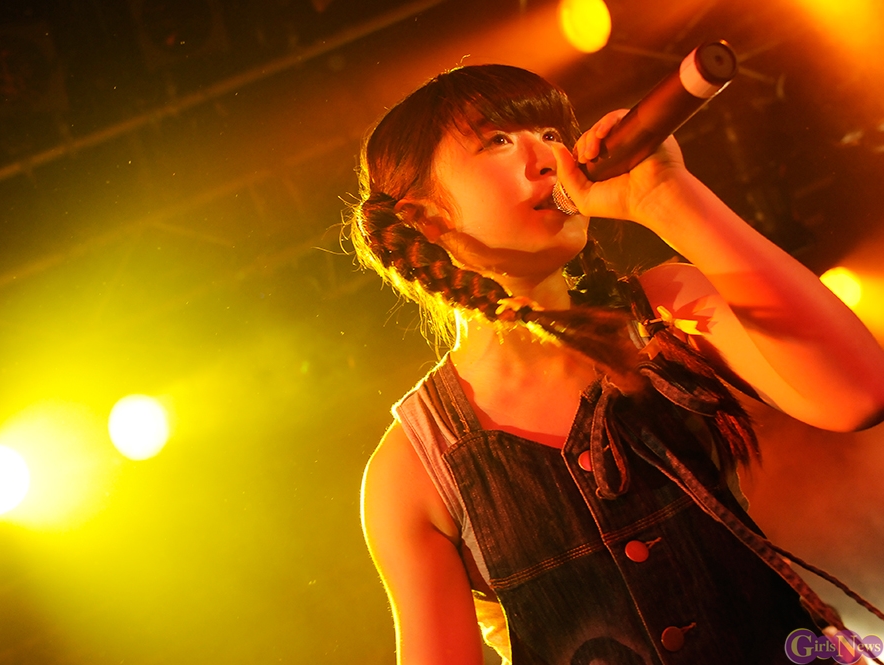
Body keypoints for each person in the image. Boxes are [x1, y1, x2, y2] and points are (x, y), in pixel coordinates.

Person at [351, 64, 884, 665]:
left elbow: (860, 393)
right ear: (424, 218)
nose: (549, 158)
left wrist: (667, 200)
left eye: (551, 134)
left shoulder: (666, 309)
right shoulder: (412, 471)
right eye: (498, 141)